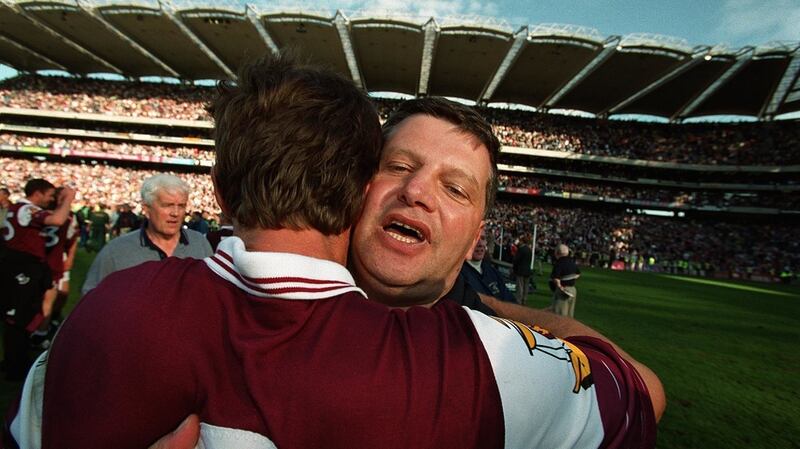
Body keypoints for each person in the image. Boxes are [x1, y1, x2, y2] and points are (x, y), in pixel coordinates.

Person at [11, 58, 663, 449]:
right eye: (399, 164)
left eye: (454, 187)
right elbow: (628, 388)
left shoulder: (115, 310)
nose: (416, 190)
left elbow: (646, 391)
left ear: (476, 240)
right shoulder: (473, 366)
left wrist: (488, 306)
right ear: (354, 186)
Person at [80, 174, 213, 295]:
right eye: (167, 205)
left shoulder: (200, 244)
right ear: (146, 209)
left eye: (182, 206)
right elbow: (90, 302)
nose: (175, 213)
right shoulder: (116, 251)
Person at [0, 179, 74, 380]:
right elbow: (57, 220)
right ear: (38, 193)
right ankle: (15, 366)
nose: (51, 198)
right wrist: (68, 199)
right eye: (49, 194)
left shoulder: (17, 207)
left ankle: (15, 360)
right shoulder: (27, 209)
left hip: (21, 265)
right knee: (18, 317)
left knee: (23, 312)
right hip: (21, 267)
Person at [458, 228, 515, 303]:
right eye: (474, 239)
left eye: (483, 238)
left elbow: (510, 300)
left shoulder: (493, 272)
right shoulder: (457, 276)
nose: (480, 244)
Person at [550, 243, 581, 317]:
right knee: (570, 315)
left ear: (557, 253)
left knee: (559, 315)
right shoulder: (572, 261)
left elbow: (556, 278)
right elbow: (578, 274)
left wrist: (560, 286)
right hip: (573, 289)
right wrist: (570, 278)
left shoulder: (559, 263)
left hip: (563, 289)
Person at [512, 233, 533, 305]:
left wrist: (514, 268)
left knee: (520, 287)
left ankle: (519, 300)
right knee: (526, 287)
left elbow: (516, 260)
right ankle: (524, 300)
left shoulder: (521, 249)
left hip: (520, 270)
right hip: (527, 270)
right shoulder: (529, 250)